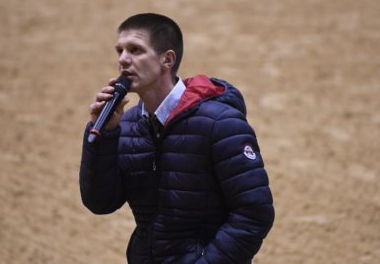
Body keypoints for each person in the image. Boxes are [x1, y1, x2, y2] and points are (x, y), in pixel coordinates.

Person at [79, 13, 274, 263]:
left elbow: (254, 213)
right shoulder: (125, 126)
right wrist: (104, 133)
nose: (123, 60)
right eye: (120, 51)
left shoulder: (220, 124)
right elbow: (100, 202)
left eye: (136, 50)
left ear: (167, 59)